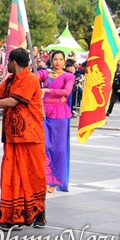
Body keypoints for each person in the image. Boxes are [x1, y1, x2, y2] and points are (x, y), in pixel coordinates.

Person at [0, 48, 47, 230]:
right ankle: (13, 217)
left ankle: (38, 214)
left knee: (33, 177)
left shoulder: (30, 79)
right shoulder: (11, 80)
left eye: (8, 62)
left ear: (13, 62)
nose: (6, 66)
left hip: (31, 137)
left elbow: (12, 101)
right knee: (11, 177)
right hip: (13, 138)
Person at [37, 50, 75, 193]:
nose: (57, 62)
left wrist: (46, 90)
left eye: (60, 59)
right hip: (44, 113)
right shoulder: (45, 74)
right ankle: (43, 178)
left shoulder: (69, 76)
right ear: (51, 60)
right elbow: (33, 77)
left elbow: (66, 92)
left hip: (60, 114)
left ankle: (54, 182)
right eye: (55, 59)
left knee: (59, 149)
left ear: (65, 61)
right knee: (43, 146)